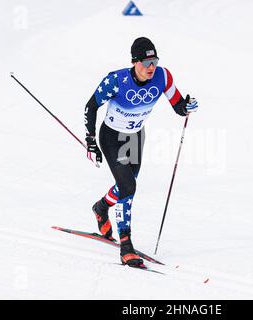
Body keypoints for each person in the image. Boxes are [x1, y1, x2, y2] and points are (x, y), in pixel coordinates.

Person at [84, 37, 199, 267]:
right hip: (112, 138)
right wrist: (91, 140)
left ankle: (102, 207)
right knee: (128, 187)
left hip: (135, 137)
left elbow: (177, 104)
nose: (151, 67)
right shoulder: (116, 81)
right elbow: (91, 106)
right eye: (146, 63)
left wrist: (185, 107)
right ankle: (126, 246)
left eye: (154, 61)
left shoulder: (163, 77)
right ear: (134, 62)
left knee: (126, 186)